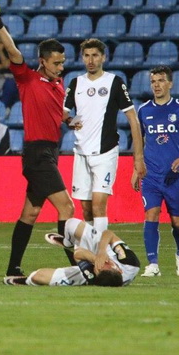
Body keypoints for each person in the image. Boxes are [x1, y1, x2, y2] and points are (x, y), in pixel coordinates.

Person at [0, 8, 76, 281]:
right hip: (37, 153)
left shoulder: (58, 84)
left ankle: (13, 268)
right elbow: (12, 50)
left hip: (50, 151)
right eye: (57, 63)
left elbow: (57, 114)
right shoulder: (28, 78)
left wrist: (69, 121)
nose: (61, 67)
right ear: (43, 61)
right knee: (67, 208)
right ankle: (79, 265)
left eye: (62, 62)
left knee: (31, 212)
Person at [63, 39, 145, 233]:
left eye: (95, 55)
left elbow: (133, 119)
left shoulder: (114, 82)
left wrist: (138, 157)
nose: (90, 60)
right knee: (86, 209)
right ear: (82, 58)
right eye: (87, 55)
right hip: (81, 152)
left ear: (103, 57)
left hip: (105, 152)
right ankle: (92, 252)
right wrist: (71, 121)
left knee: (99, 205)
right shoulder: (76, 83)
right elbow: (64, 113)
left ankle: (102, 254)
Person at [132, 66, 179, 278]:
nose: (156, 85)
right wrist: (136, 167)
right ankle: (152, 264)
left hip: (175, 175)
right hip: (151, 174)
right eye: (153, 81)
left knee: (177, 221)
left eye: (161, 80)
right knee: (150, 214)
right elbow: (140, 140)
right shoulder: (143, 110)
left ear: (170, 83)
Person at [4, 218, 141, 286]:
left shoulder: (93, 277)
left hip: (90, 262)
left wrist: (94, 261)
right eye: (106, 263)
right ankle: (69, 243)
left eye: (99, 267)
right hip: (102, 249)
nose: (102, 263)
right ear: (118, 269)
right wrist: (101, 253)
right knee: (71, 224)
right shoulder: (130, 263)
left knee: (38, 277)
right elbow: (109, 234)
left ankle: (26, 281)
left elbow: (78, 255)